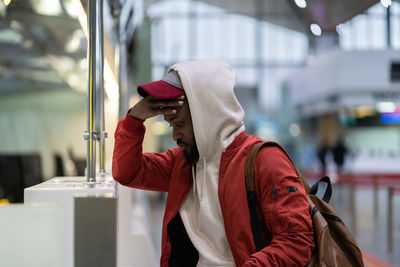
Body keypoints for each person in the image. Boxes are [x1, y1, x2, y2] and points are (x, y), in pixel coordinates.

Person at [112, 60, 314, 266]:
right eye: (172, 124)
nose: (175, 135)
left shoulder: (265, 160)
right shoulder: (183, 163)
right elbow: (128, 172)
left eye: (180, 123)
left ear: (207, 114)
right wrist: (135, 118)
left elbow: (296, 241)